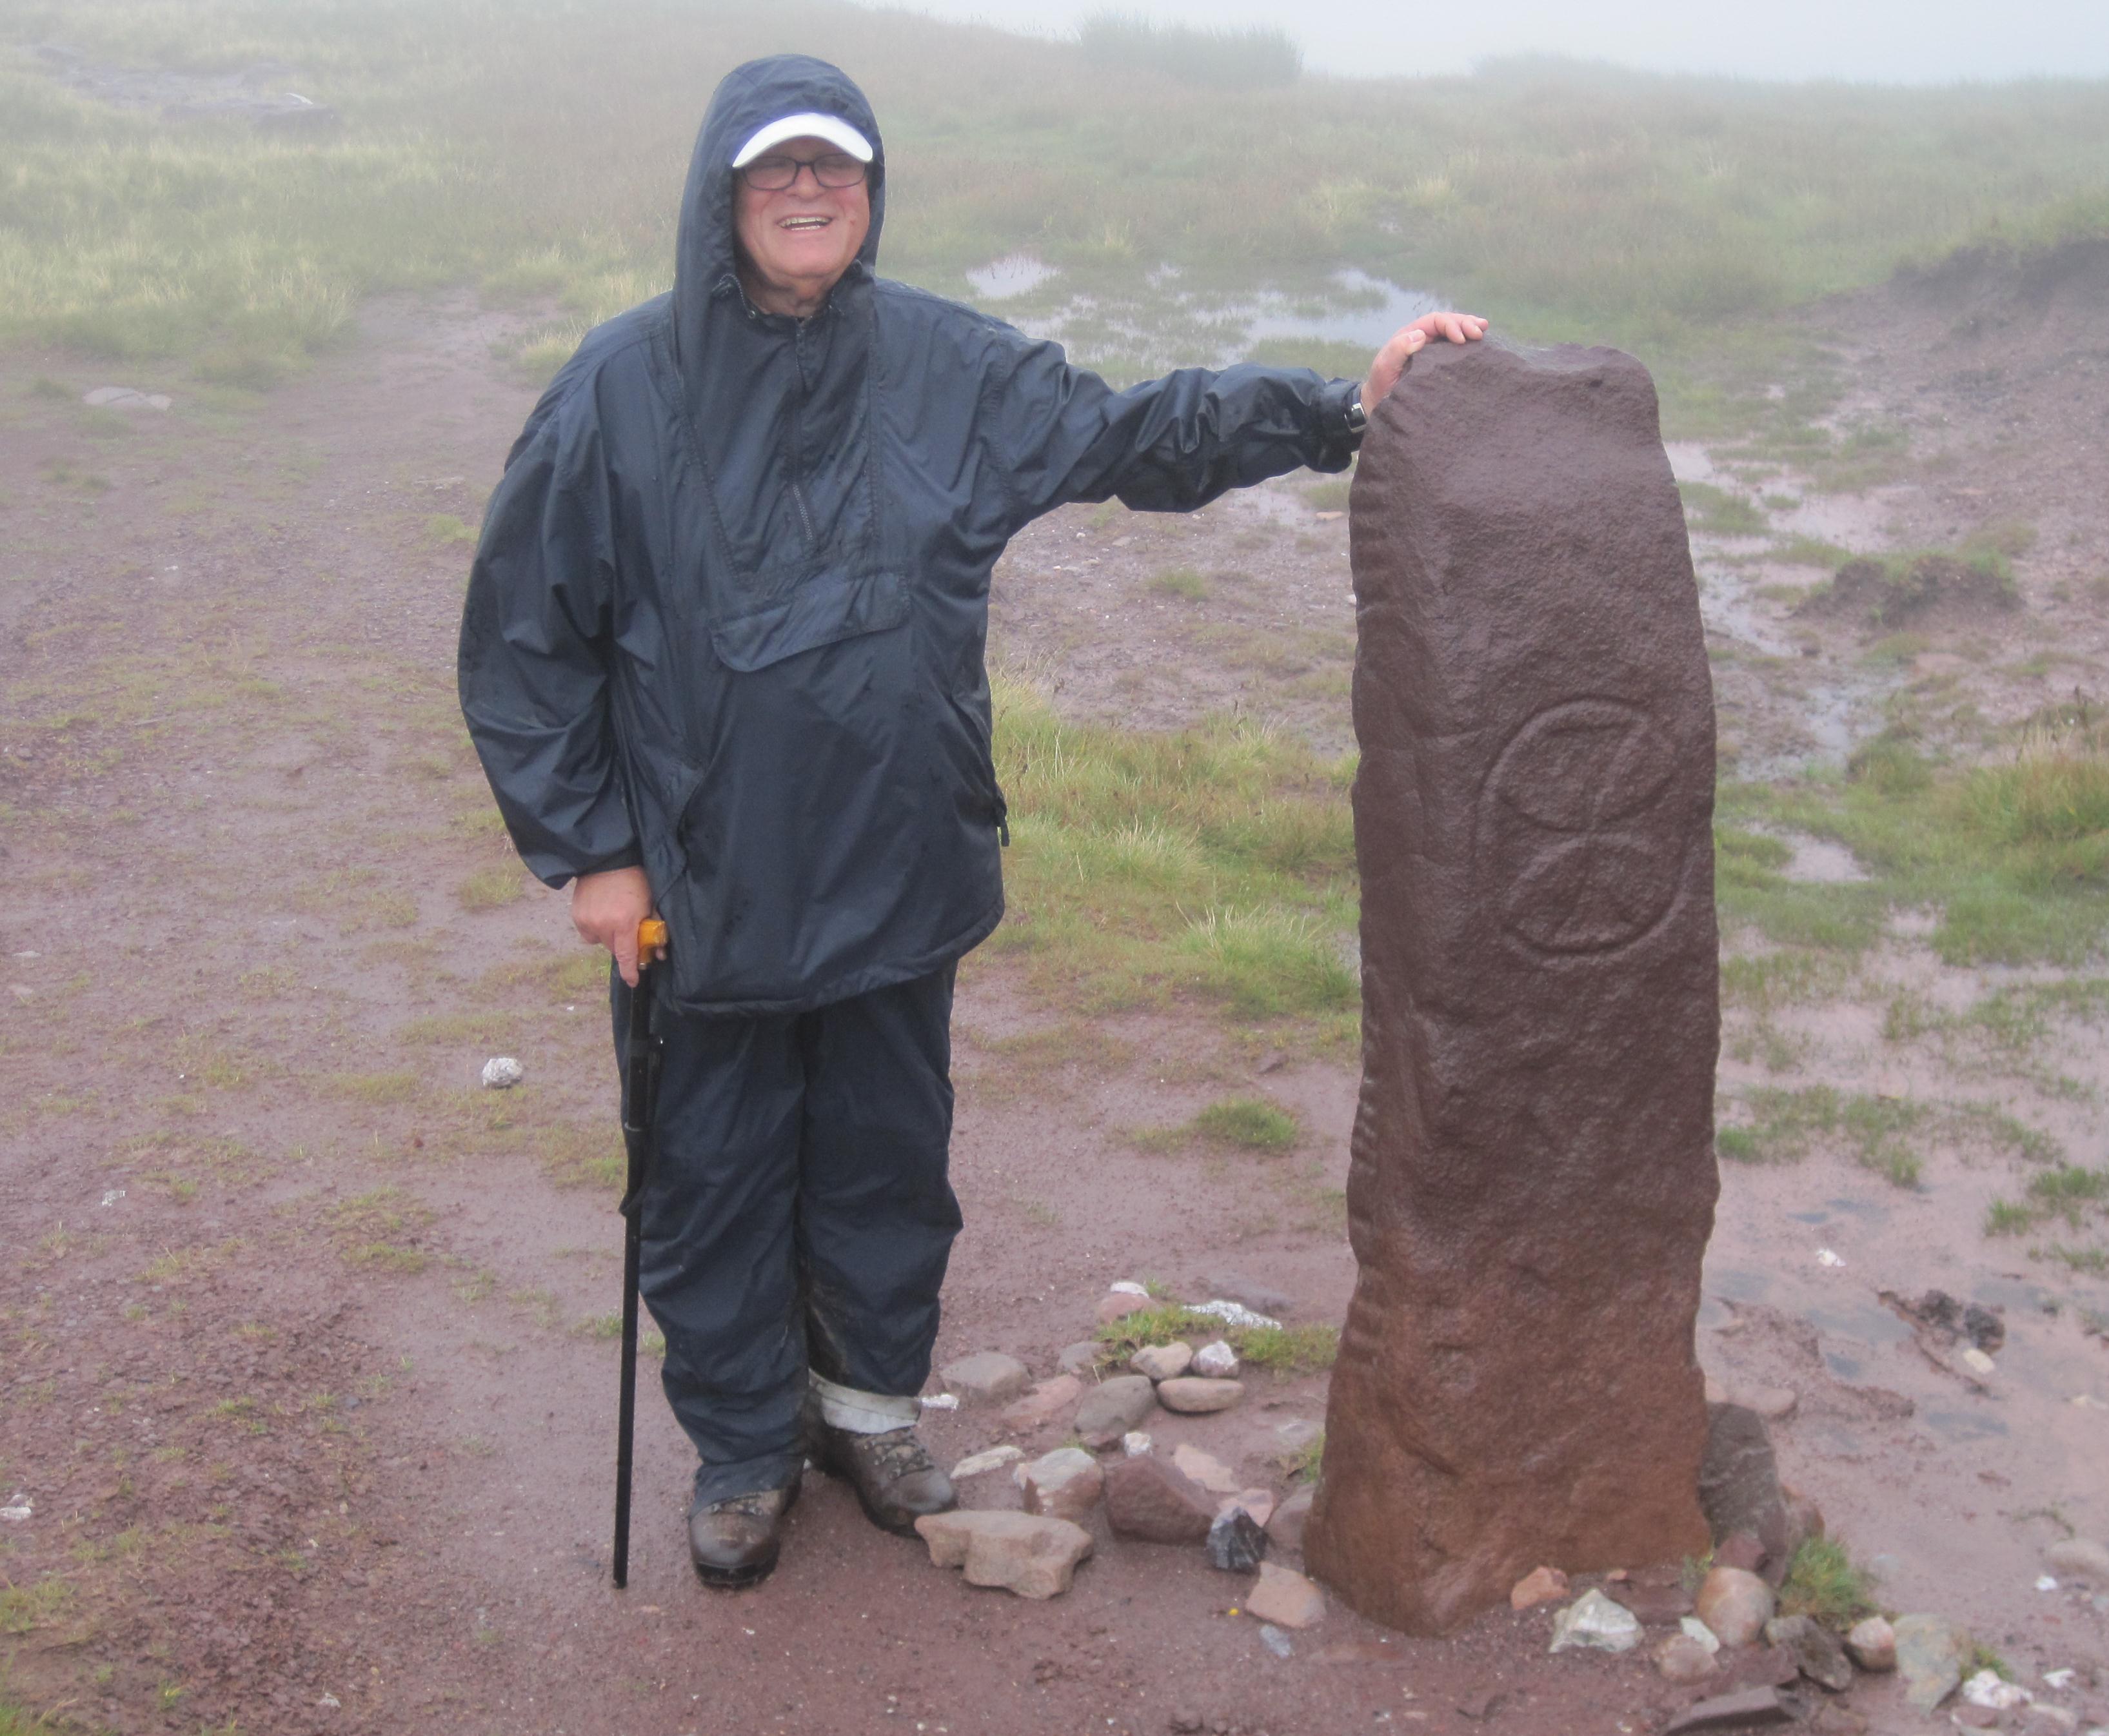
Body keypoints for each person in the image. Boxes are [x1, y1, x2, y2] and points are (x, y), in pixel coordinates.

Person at [459, 52, 1484, 1590]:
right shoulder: (621, 388)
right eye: (778, 171)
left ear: (869, 194)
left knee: (884, 1159)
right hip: (702, 881)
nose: (811, 194)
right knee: (711, 1172)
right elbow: (525, 637)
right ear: (721, 195)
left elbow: (1142, 437)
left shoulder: (949, 368)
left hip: (897, 860)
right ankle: (744, 1446)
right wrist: (593, 851)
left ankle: (867, 1412)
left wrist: (1346, 407)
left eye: (839, 170)